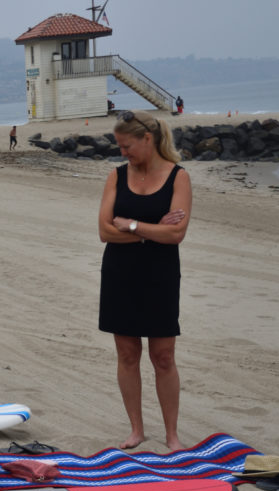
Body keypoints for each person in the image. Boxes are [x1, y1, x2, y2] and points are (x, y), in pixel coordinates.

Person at [98, 110, 192, 452]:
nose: (123, 152)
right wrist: (153, 231)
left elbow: (177, 233)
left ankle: (172, 435)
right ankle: (136, 430)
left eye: (127, 146)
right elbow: (104, 231)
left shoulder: (178, 177)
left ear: (147, 139)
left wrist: (133, 225)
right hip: (120, 273)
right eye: (120, 147)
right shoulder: (116, 177)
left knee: (163, 356)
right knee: (127, 354)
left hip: (160, 274)